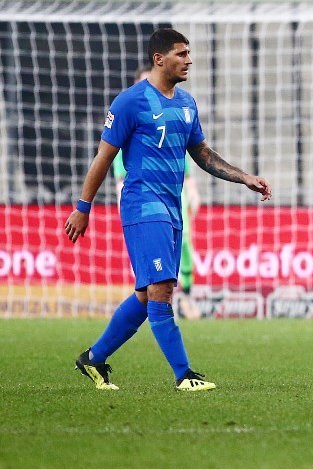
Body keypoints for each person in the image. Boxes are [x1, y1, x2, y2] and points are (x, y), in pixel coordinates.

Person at [64, 28, 272, 391]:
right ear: (159, 59)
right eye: (181, 53)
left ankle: (94, 358)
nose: (189, 60)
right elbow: (103, 157)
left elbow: (202, 154)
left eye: (189, 53)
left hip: (173, 209)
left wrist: (244, 178)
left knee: (146, 295)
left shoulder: (187, 104)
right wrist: (83, 208)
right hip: (143, 206)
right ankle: (184, 375)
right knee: (161, 290)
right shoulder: (130, 102)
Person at [113, 64, 202, 320]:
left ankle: (185, 294)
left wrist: (192, 188)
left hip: (174, 190)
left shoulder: (172, 114)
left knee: (184, 241)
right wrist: (120, 191)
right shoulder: (129, 118)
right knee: (151, 247)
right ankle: (153, 298)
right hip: (144, 194)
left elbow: (184, 155)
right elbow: (118, 162)